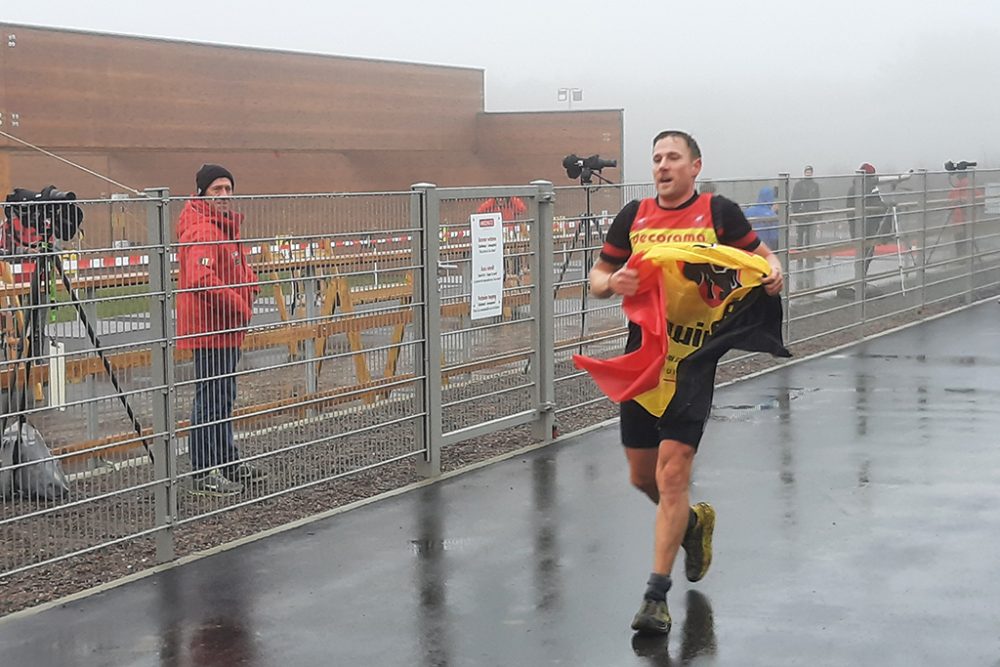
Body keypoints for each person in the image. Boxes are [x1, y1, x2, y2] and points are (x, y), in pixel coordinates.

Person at [587, 130, 784, 635]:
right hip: (644, 361)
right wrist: (614, 283)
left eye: (673, 157)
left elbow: (763, 255)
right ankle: (693, 524)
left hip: (694, 362)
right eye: (656, 159)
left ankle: (656, 597)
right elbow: (598, 277)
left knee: (673, 476)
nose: (663, 165)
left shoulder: (719, 213)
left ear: (695, 167)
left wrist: (774, 272)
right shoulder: (633, 216)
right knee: (642, 477)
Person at [177, 164, 264, 496]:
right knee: (212, 400)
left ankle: (228, 462)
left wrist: (251, 283)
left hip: (225, 328)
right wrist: (240, 305)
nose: (225, 195)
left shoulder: (223, 228)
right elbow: (201, 279)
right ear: (202, 193)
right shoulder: (203, 230)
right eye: (217, 190)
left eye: (228, 189)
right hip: (212, 328)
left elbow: (236, 266)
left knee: (222, 397)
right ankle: (202, 471)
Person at [791, 165, 821, 247]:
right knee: (800, 233)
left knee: (810, 233)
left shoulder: (815, 185)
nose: (808, 174)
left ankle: (808, 252)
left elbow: (817, 199)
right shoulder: (798, 185)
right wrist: (795, 212)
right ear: (804, 173)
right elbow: (794, 198)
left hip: (811, 212)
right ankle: (799, 252)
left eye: (810, 172)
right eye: (807, 172)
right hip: (801, 211)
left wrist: (816, 211)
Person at [743, 185, 780, 250]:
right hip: (765, 249)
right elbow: (774, 238)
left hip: (748, 248)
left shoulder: (748, 211)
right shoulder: (772, 216)